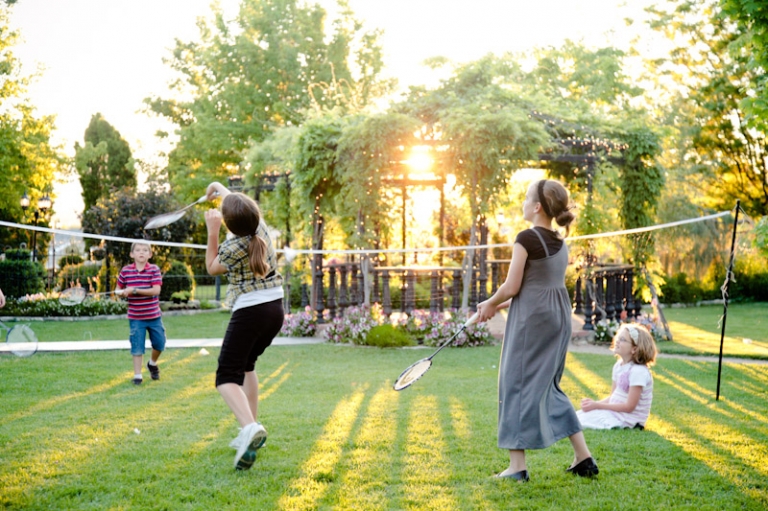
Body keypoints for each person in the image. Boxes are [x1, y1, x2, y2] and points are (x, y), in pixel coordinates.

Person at [476, 178, 598, 482]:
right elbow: (537, 287)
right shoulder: (560, 241)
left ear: (537, 207)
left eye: (526, 198)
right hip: (558, 317)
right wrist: (496, 307)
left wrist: (490, 301)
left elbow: (512, 286)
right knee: (548, 386)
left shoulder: (526, 238)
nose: (523, 202)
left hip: (533, 321)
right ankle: (583, 457)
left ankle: (517, 467)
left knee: (514, 383)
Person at [204, 181, 285, 471]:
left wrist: (212, 231)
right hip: (275, 309)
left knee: (226, 377)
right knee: (247, 366)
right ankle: (250, 428)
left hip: (251, 310)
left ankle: (250, 428)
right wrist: (218, 187)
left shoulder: (232, 246)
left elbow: (212, 267)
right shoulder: (259, 226)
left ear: (229, 224)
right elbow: (237, 203)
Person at [577, 324, 657, 430]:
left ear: (634, 349)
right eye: (618, 337)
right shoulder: (619, 366)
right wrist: (593, 404)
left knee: (580, 421)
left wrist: (597, 406)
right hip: (615, 413)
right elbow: (613, 397)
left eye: (623, 339)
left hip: (628, 419)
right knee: (578, 416)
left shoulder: (638, 372)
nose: (617, 341)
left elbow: (629, 407)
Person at [115, 242, 166, 386]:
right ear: (132, 254)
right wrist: (121, 293)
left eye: (145, 250)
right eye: (137, 250)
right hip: (136, 318)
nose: (141, 252)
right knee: (137, 346)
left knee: (160, 343)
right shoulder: (126, 271)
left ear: (150, 254)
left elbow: (156, 290)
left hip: (154, 316)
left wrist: (134, 290)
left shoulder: (154, 270)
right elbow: (118, 290)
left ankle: (152, 363)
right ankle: (138, 376)